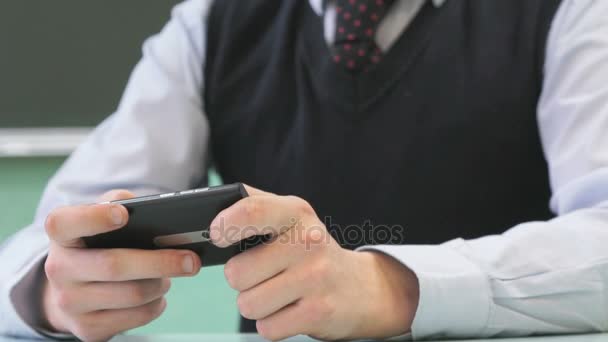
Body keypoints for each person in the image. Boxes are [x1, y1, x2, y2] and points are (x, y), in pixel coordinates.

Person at [2, 0, 608, 340]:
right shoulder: (212, 24)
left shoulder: (573, 13)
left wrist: (394, 285)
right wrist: (54, 291)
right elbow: (46, 238)